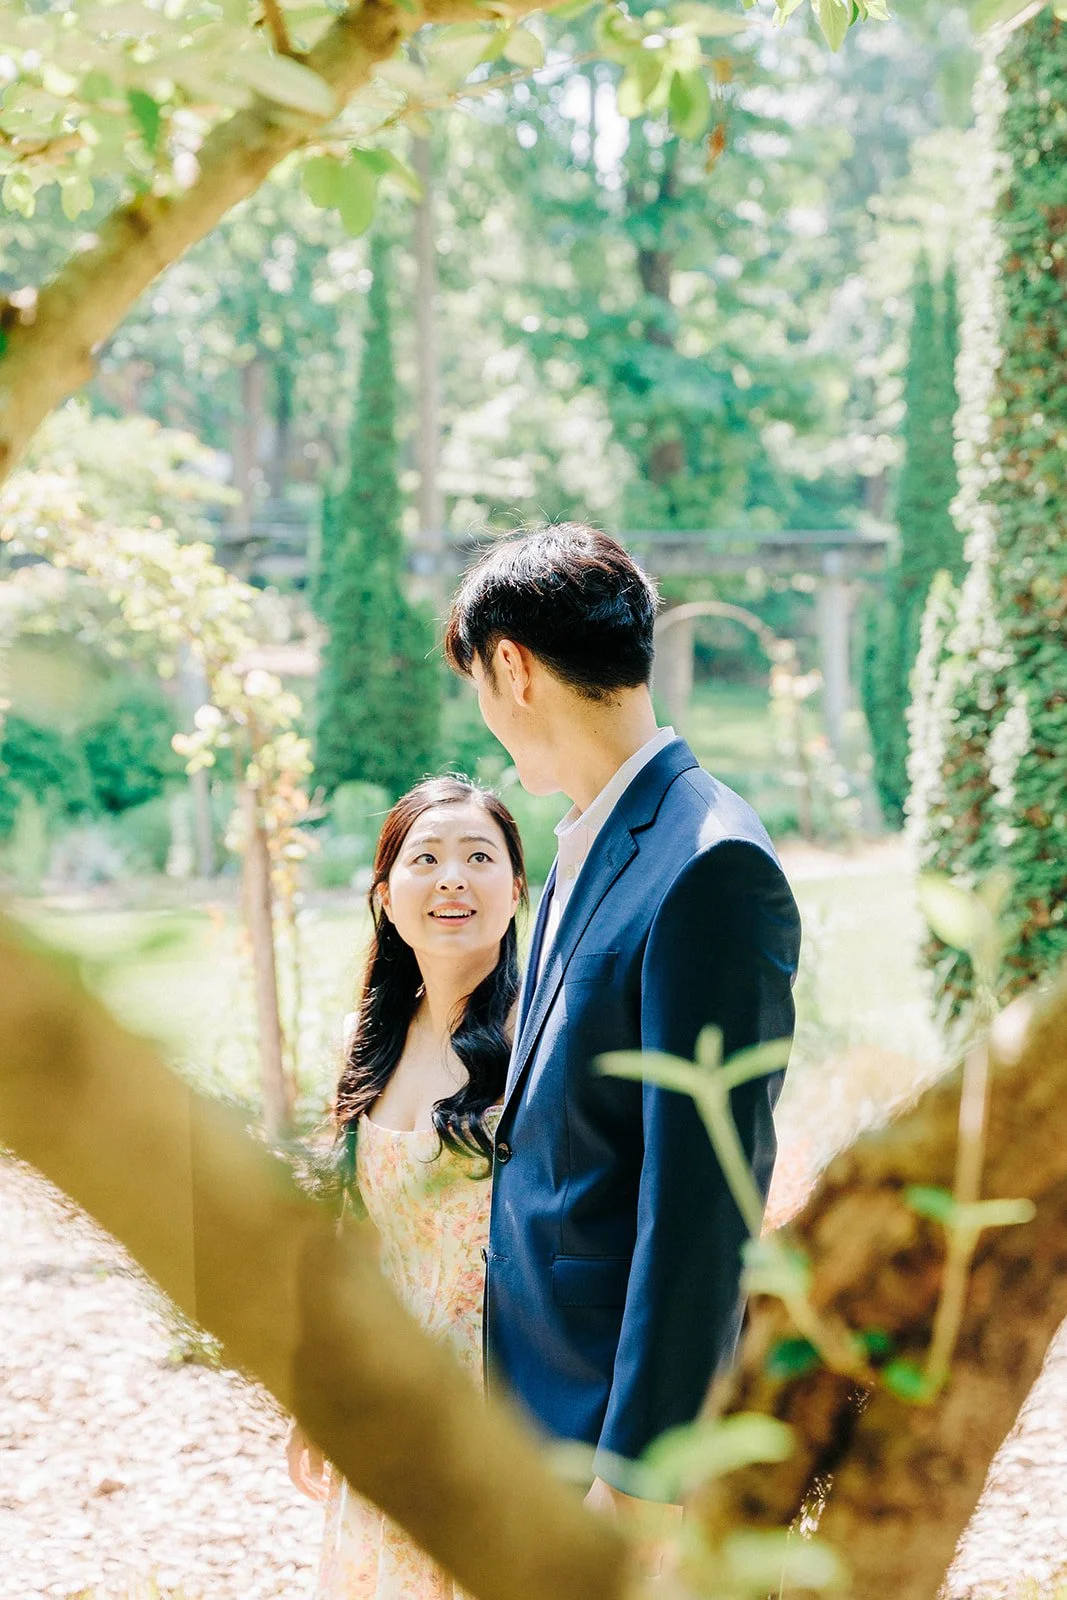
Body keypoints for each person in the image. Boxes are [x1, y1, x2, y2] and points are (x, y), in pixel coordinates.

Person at [443, 524, 802, 1520]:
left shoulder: (708, 862)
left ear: (510, 666)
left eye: (474, 676)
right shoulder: (585, 839)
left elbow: (704, 1198)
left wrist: (637, 1475)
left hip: (620, 1450)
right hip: (542, 1406)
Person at [288, 775, 527, 1600]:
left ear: (515, 888)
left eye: (477, 857)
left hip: (507, 1402)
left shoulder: (543, 1041)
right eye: (425, 858)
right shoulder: (371, 1040)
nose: (452, 877)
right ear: (387, 898)